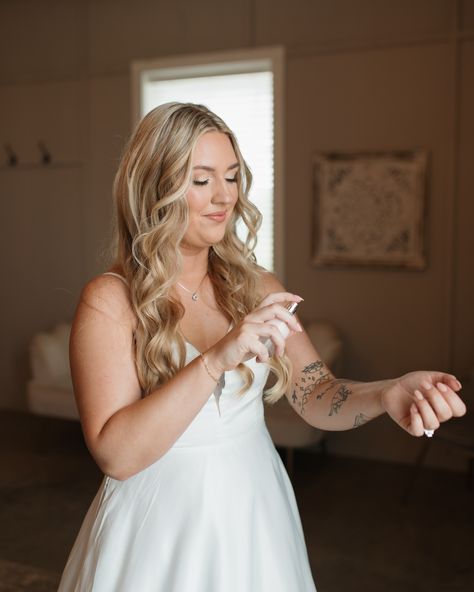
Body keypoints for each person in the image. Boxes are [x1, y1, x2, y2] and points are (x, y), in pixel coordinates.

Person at [58, 102, 466, 592]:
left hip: (254, 510)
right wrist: (216, 359)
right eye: (202, 178)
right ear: (155, 187)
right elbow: (115, 456)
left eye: (231, 177)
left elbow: (317, 394)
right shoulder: (110, 299)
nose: (224, 196)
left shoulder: (255, 286)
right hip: (156, 524)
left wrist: (388, 393)